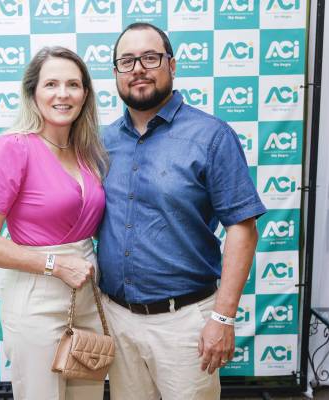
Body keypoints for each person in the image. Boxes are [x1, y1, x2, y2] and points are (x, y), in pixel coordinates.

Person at [97, 23, 267, 399]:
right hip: (117, 320)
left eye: (150, 58)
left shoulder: (211, 136)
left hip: (185, 323)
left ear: (171, 65)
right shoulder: (102, 141)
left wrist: (223, 318)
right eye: (127, 61)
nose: (138, 69)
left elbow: (243, 229)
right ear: (116, 72)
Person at [0, 46, 108, 400]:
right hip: (37, 297)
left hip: (88, 293)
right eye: (51, 84)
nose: (63, 94)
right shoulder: (12, 147)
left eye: (73, 85)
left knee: (88, 396)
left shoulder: (88, 151)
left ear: (85, 94)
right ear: (33, 93)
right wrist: (56, 265)